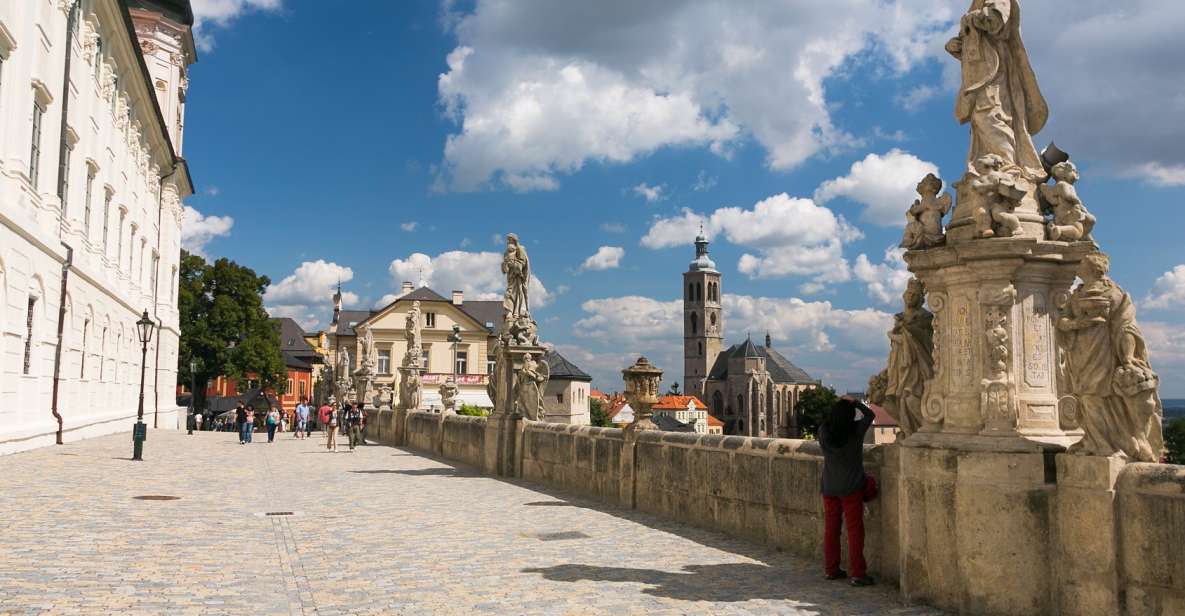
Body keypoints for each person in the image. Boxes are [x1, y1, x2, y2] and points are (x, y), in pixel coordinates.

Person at [819, 397, 875, 587]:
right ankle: (858, 573)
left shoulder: (824, 432)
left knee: (831, 530)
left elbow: (826, 420)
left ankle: (831, 569)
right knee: (854, 531)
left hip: (829, 486)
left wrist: (836, 407)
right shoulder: (856, 431)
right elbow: (870, 414)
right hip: (851, 488)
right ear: (851, 416)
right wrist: (855, 402)